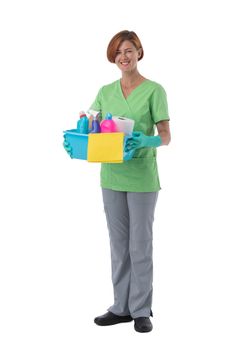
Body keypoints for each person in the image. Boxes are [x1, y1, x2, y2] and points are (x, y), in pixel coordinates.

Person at [64, 30, 171, 333]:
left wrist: (146, 141)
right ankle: (120, 307)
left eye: (129, 51)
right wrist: (77, 142)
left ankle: (141, 309)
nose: (124, 57)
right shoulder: (105, 90)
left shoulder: (154, 91)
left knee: (140, 244)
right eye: (118, 53)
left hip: (141, 178)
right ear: (113, 58)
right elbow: (92, 127)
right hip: (111, 176)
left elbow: (165, 136)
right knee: (118, 244)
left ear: (139, 52)